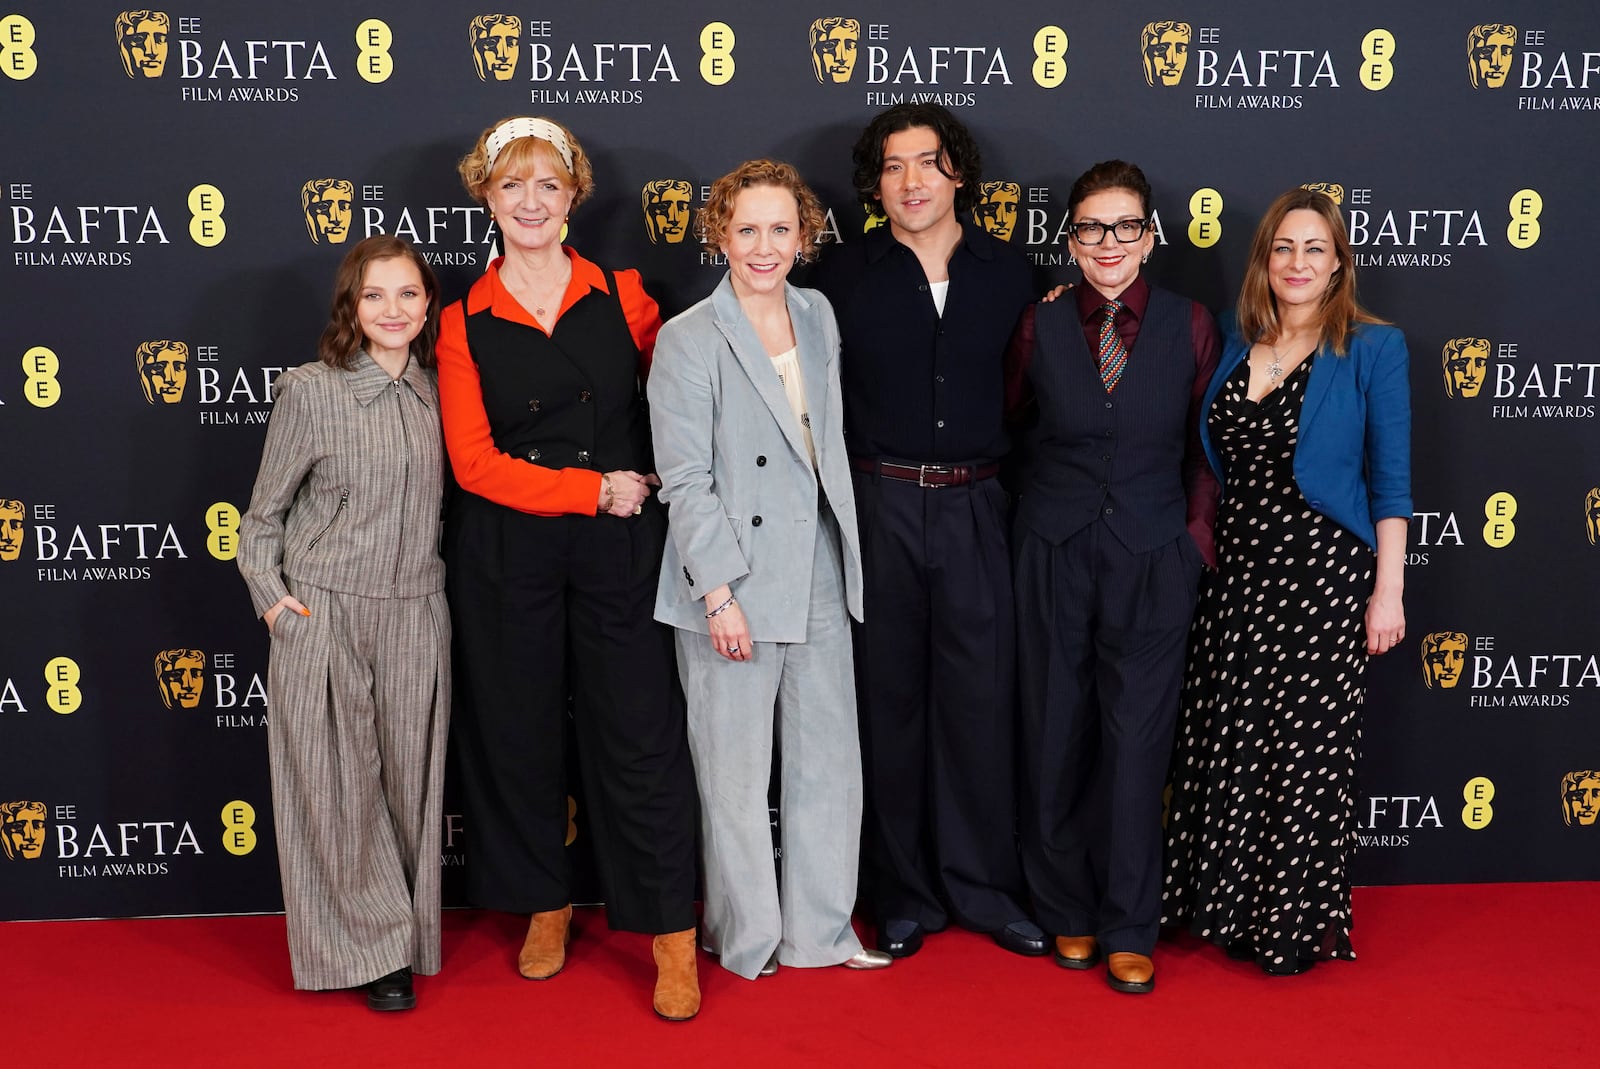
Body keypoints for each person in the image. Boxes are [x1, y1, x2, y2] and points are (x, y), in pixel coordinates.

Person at [436, 116, 700, 1021]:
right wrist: (591, 491)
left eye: (550, 184)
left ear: (575, 195)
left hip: (622, 547)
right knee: (518, 734)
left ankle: (669, 931)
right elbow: (474, 464)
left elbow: (683, 404)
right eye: (514, 185)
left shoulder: (625, 296)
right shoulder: (461, 320)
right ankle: (543, 906)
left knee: (640, 735)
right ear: (487, 197)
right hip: (514, 547)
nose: (532, 201)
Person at [812, 102, 1046, 961]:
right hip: (878, 506)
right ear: (875, 185)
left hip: (980, 503)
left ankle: (984, 885)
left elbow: (1029, 398)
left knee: (981, 703)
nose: (912, 181)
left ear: (959, 173)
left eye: (928, 163)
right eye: (893, 167)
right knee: (890, 703)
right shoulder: (839, 278)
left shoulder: (1011, 274)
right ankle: (904, 892)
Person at [650, 159, 890, 982]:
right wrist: (718, 593)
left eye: (780, 229)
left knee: (830, 763)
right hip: (732, 580)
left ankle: (820, 931)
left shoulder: (818, 313)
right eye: (746, 229)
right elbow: (684, 479)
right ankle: (746, 937)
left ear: (804, 235)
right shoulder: (687, 337)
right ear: (720, 234)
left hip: (818, 560)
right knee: (734, 774)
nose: (763, 246)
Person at [1163, 186, 1411, 976]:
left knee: (1301, 753)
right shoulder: (1238, 342)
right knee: (1229, 737)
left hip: (1321, 579)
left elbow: (1392, 484)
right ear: (1264, 260)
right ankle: (1222, 907)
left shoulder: (1373, 348)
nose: (1298, 263)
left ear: (1339, 262)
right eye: (1283, 248)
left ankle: (1287, 926)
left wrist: (1388, 591)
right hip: (1236, 575)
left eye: (1315, 249)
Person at [1007, 160, 1219, 994]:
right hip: (1053, 552)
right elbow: (1010, 423)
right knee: (1056, 732)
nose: (1109, 243)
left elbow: (1207, 448)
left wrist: (1193, 541)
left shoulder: (1191, 323)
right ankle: (1068, 907)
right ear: (1070, 239)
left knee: (1138, 746)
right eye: (1091, 227)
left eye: (1126, 226)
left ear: (1151, 235)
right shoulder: (1039, 324)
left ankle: (1133, 921)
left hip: (1154, 555)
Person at [237, 234, 449, 1013]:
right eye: (374, 296)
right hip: (325, 608)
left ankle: (403, 935)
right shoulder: (312, 390)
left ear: (428, 305)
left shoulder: (445, 389)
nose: (392, 310)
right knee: (338, 790)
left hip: (419, 610)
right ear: (350, 308)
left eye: (408, 294)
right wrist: (271, 596)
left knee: (407, 788)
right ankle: (371, 953)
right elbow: (261, 518)